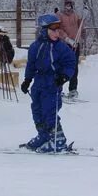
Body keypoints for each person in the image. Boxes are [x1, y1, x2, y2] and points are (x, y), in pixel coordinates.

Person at [19, 14, 77, 152]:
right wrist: (27, 80)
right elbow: (31, 65)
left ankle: (59, 140)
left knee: (49, 111)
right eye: (54, 29)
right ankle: (44, 136)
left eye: (59, 29)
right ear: (44, 30)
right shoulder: (35, 47)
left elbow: (71, 63)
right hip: (38, 83)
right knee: (37, 111)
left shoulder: (61, 47)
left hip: (52, 83)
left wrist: (64, 77)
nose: (57, 33)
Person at [56, 0, 83, 99]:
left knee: (74, 67)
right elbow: (57, 29)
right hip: (64, 45)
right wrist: (67, 39)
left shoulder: (75, 15)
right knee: (62, 66)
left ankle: (73, 89)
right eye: (66, 4)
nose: (68, 6)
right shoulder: (59, 15)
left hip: (75, 44)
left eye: (70, 4)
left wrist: (84, 16)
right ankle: (58, 88)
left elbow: (81, 26)